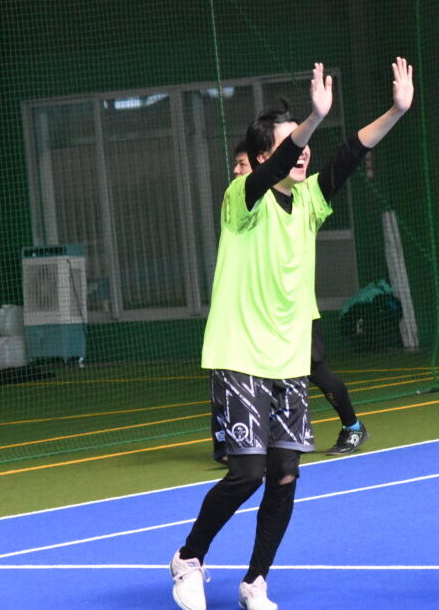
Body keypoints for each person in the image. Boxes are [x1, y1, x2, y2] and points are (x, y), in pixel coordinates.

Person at [170, 57, 413, 610]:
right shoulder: (242, 199)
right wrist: (313, 117)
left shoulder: (308, 200)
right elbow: (277, 163)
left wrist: (397, 111)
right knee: (247, 473)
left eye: (304, 142)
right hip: (239, 353)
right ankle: (188, 557)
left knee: (283, 477)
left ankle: (255, 582)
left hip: (289, 359)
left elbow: (348, 154)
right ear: (262, 158)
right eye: (290, 144)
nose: (303, 152)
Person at [208, 148, 369, 464]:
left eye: (242, 163)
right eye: (235, 165)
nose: (237, 170)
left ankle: (352, 426)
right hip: (261, 316)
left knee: (315, 371)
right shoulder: (243, 205)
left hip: (296, 315)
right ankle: (240, 442)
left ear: (263, 162)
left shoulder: (296, 198)